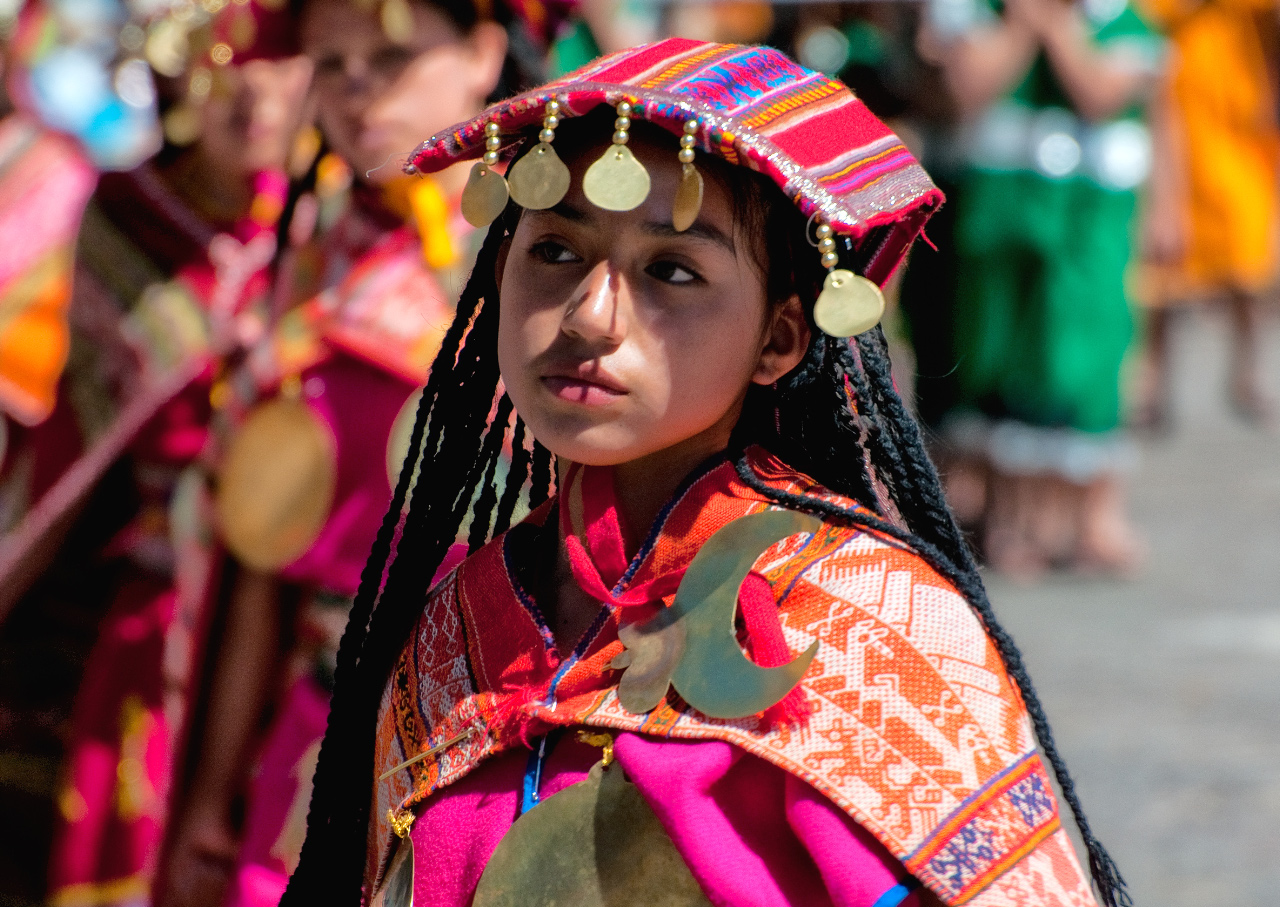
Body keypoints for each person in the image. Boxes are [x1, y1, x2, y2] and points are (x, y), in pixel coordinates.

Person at [280, 38, 1128, 907]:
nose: (591, 315)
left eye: (672, 271)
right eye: (556, 251)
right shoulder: (452, 631)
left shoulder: (871, 633)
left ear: (780, 338)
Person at [154, 2, 517, 905]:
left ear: (485, 52)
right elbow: (267, 555)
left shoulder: (544, 258)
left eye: (388, 55)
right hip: (308, 735)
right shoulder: (317, 257)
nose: (354, 89)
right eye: (332, 60)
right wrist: (210, 791)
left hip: (480, 745)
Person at [29, 5, 313, 905]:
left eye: (285, 66)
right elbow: (50, 438)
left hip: (259, 627)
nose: (255, 95)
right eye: (228, 63)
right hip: (114, 602)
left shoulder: (313, 245)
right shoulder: (110, 215)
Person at [913, 0, 1166, 576]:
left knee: (1082, 359)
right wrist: (1024, 27)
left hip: (1087, 215)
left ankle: (1077, 520)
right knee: (991, 358)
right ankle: (1004, 520)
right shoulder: (980, 13)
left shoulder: (1120, 19)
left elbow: (1105, 95)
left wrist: (1054, 26)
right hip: (998, 208)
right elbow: (965, 90)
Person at [1135, 0, 1279, 427]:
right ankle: (1154, 382)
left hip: (1236, 125)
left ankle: (1247, 369)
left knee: (1247, 259)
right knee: (1161, 271)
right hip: (1177, 119)